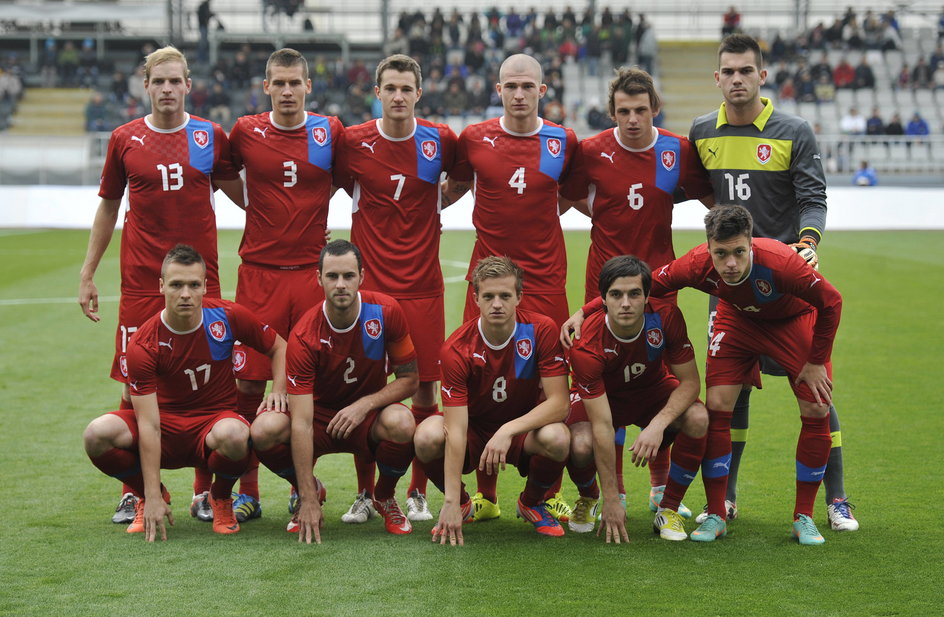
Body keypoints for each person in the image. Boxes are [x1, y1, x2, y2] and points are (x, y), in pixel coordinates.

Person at [566, 205, 842, 544]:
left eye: (739, 252)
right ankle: (716, 514)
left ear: (751, 245)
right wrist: (586, 310)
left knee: (816, 407)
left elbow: (832, 301)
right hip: (737, 321)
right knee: (715, 406)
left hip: (793, 321)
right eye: (721, 253)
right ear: (708, 247)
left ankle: (804, 517)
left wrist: (816, 361)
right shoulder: (696, 263)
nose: (730, 263)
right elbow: (642, 286)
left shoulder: (782, 262)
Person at [686, 34, 856, 531]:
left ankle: (837, 499)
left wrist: (807, 241)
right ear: (717, 79)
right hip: (732, 290)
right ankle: (727, 498)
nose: (737, 80)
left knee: (816, 390)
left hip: (787, 290)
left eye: (746, 71)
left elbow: (813, 196)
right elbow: (700, 191)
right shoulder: (700, 131)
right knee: (728, 395)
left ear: (762, 76)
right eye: (728, 72)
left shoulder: (794, 129)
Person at [77, 46, 243, 525]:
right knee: (133, 389)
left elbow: (249, 197)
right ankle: (138, 491)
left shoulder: (210, 136)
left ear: (188, 85)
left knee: (208, 383)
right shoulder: (125, 138)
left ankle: (203, 490)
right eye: (158, 82)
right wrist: (88, 273)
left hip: (200, 284)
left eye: (175, 81)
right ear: (145, 86)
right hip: (142, 287)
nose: (167, 89)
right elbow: (109, 206)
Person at [558, 66, 712, 520]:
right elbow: (568, 195)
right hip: (603, 285)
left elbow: (708, 197)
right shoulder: (590, 151)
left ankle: (660, 487)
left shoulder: (677, 150)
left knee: (657, 379)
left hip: (660, 286)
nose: (632, 119)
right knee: (604, 381)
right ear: (611, 112)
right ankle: (616, 489)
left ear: (654, 110)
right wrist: (602, 213)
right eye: (623, 111)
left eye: (640, 110)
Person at [441, 53, 577, 523]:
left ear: (543, 90)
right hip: (490, 283)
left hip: (545, 283)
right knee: (479, 382)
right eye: (510, 86)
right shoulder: (474, 139)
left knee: (549, 387)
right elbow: (452, 188)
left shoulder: (564, 141)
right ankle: (484, 494)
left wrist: (535, 229)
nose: (519, 94)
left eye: (528, 86)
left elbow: (573, 195)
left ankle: (543, 494)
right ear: (497, 89)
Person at [83, 245, 287, 541]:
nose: (186, 294)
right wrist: (151, 493)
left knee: (237, 434)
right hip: (164, 428)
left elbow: (278, 346)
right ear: (162, 286)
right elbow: (149, 424)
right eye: (177, 284)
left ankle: (220, 497)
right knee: (96, 434)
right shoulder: (144, 344)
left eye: (193, 284)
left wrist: (278, 390)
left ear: (205, 285)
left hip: (213, 426)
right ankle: (147, 497)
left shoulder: (227, 317)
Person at [333, 54, 458, 525]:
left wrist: (440, 202)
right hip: (373, 291)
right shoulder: (353, 142)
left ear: (418, 93)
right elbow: (343, 186)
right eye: (390, 88)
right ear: (378, 92)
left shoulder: (440, 141)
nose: (399, 96)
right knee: (369, 390)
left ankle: (417, 492)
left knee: (426, 390)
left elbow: (461, 180)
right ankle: (366, 492)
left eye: (407, 88)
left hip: (424, 288)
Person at [226, 48, 344, 523]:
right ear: (267, 87)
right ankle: (248, 492)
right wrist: (258, 209)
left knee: (307, 385)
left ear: (309, 86)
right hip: (259, 272)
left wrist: (308, 214)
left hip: (310, 275)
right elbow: (224, 178)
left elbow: (339, 180)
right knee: (248, 381)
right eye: (280, 82)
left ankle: (302, 486)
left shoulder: (329, 131)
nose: (288, 90)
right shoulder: (245, 131)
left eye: (296, 82)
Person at [251, 240, 419, 543]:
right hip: (318, 418)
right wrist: (307, 497)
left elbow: (410, 379)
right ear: (318, 279)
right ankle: (310, 491)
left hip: (368, 417)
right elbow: (301, 421)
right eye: (332, 276)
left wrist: (366, 404)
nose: (340, 285)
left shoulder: (386, 312)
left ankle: (384, 496)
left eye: (348, 276)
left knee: (403, 422)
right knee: (264, 429)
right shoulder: (304, 334)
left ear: (361, 277)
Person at [414, 257, 571, 545]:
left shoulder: (542, 330)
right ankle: (461, 504)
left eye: (504, 296)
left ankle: (531, 503)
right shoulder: (456, 348)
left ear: (519, 297)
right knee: (426, 436)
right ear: (475, 299)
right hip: (473, 431)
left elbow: (560, 403)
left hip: (523, 431)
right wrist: (449, 499)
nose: (496, 304)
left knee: (559, 437)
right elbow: (456, 429)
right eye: (488, 296)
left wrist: (508, 430)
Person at [564, 256, 708, 541]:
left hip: (650, 391)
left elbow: (691, 383)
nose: (626, 303)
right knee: (580, 444)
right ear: (604, 298)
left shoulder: (666, 317)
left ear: (646, 296)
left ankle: (669, 509)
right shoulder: (586, 344)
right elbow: (603, 425)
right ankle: (590, 496)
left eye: (634, 294)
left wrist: (656, 425)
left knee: (697, 417)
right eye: (616, 295)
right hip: (604, 401)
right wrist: (611, 499)